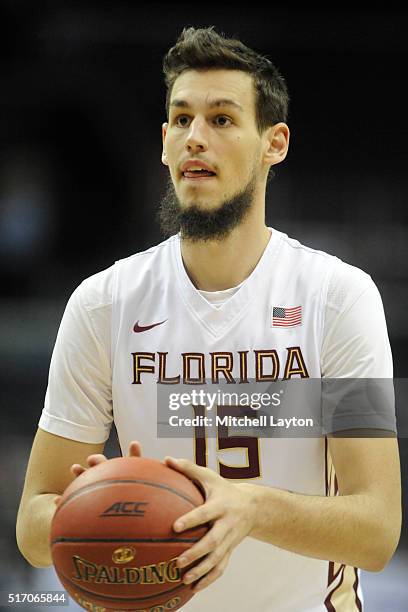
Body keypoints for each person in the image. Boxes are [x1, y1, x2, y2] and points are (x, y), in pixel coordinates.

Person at [16, 26, 401, 612]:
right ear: (164, 142)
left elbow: (376, 530)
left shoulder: (338, 297)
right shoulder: (102, 303)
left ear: (274, 143)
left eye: (221, 119)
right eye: (181, 119)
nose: (196, 137)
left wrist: (251, 508)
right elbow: (34, 525)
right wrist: (98, 503)